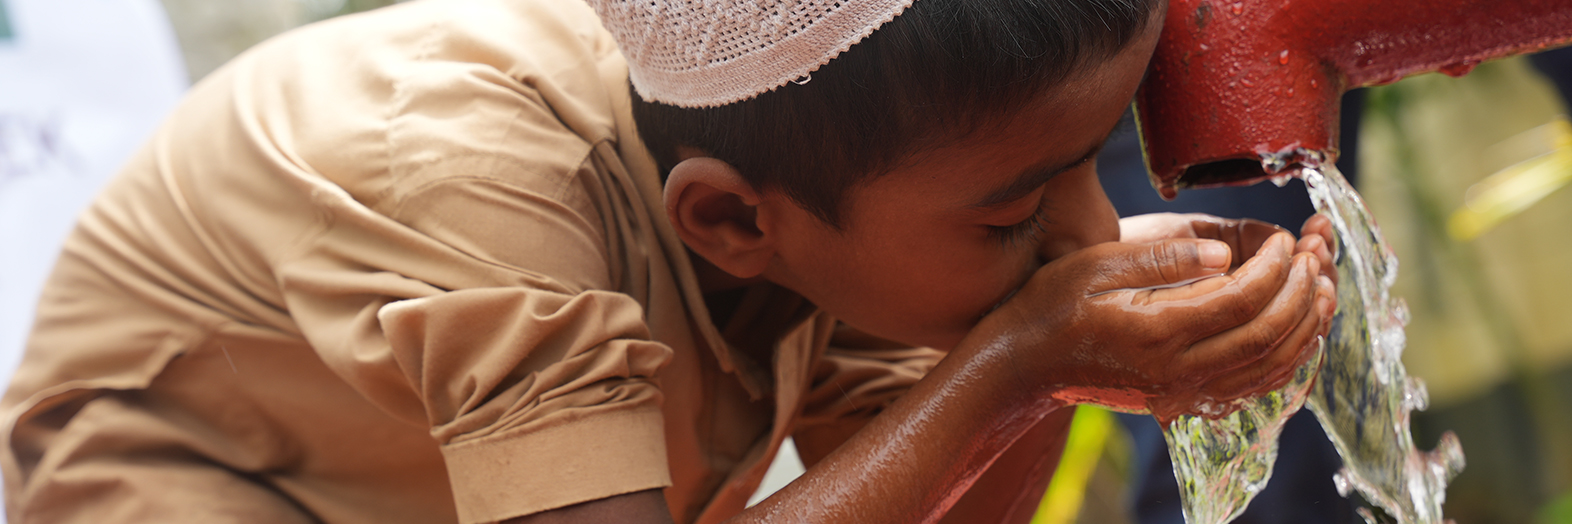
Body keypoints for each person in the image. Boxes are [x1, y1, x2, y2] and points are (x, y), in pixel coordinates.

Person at [0, 0, 1340, 523]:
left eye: (1086, 166)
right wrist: (1014, 362)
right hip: (203, 486)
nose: (1091, 239)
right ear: (730, 224)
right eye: (1014, 216)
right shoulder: (471, 183)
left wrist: (1054, 362)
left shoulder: (824, 163)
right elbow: (993, 382)